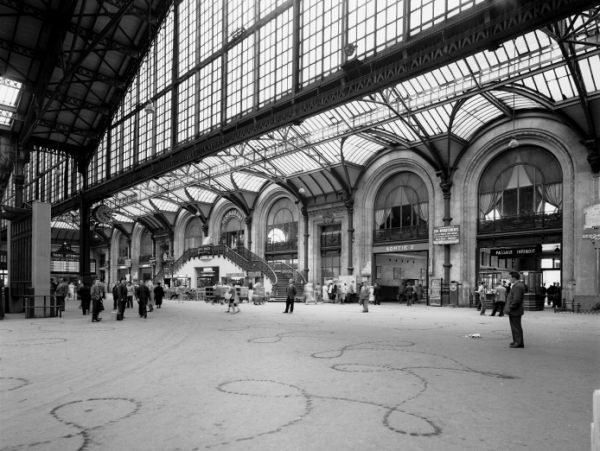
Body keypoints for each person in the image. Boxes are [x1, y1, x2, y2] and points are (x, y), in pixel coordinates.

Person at [506, 271, 525, 348]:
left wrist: (511, 307)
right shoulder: (517, 285)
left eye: (509, 277)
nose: (509, 279)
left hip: (515, 310)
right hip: (515, 310)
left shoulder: (518, 286)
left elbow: (516, 299)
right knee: (515, 326)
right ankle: (516, 341)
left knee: (516, 327)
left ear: (513, 278)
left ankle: (518, 342)